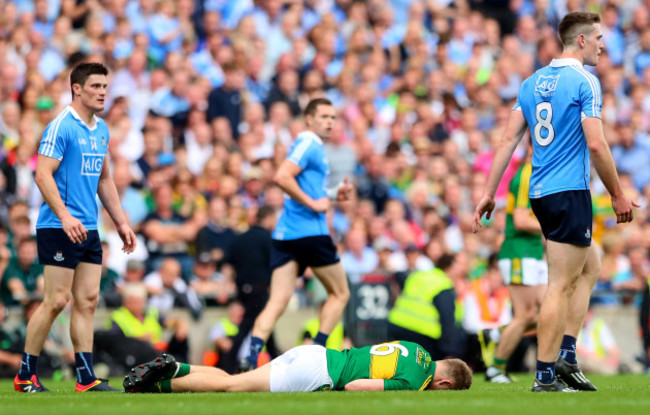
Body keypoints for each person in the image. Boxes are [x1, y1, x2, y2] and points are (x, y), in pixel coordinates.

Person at [473, 12, 638, 392]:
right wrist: (616, 194)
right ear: (580, 41)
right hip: (569, 192)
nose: (602, 44)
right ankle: (546, 374)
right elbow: (595, 143)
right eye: (597, 37)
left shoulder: (531, 83)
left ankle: (566, 353)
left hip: (541, 193)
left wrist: (488, 192)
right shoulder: (585, 81)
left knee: (590, 265)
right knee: (560, 285)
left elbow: (507, 141)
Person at [15, 62, 136, 393]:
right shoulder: (60, 126)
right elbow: (42, 174)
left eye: (105, 87)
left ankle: (85, 378)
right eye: (95, 86)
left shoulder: (101, 129)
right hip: (58, 226)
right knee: (56, 300)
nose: (102, 92)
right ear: (77, 89)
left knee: (89, 300)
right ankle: (25, 374)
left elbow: (105, 178)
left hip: (89, 229)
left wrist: (121, 221)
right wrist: (66, 216)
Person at [242, 99, 354, 370]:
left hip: (286, 235)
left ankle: (250, 357)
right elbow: (282, 177)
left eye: (333, 117)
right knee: (340, 294)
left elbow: (300, 185)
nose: (330, 122)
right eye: (324, 116)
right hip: (311, 234)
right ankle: (315, 353)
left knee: (277, 301)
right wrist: (315, 204)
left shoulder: (309, 145)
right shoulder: (309, 143)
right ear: (309, 119)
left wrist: (330, 195)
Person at [124, 341, 473, 393]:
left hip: (315, 353)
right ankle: (156, 386)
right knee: (231, 387)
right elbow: (354, 388)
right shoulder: (416, 383)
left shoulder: (417, 349)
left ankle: (176, 368)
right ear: (444, 384)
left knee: (234, 379)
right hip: (319, 375)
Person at [483, 145, 547, 384]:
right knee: (525, 315)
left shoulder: (538, 173)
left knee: (550, 309)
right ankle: (495, 370)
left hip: (533, 252)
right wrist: (554, 226)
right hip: (520, 253)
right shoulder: (527, 174)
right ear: (532, 148)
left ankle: (497, 333)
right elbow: (520, 220)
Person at [219, 205, 280, 373]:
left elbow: (228, 267)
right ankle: (229, 364)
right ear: (268, 218)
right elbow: (276, 265)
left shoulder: (240, 239)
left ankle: (275, 359)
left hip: (243, 291)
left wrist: (224, 289)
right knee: (250, 326)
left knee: (263, 325)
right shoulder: (268, 238)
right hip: (260, 290)